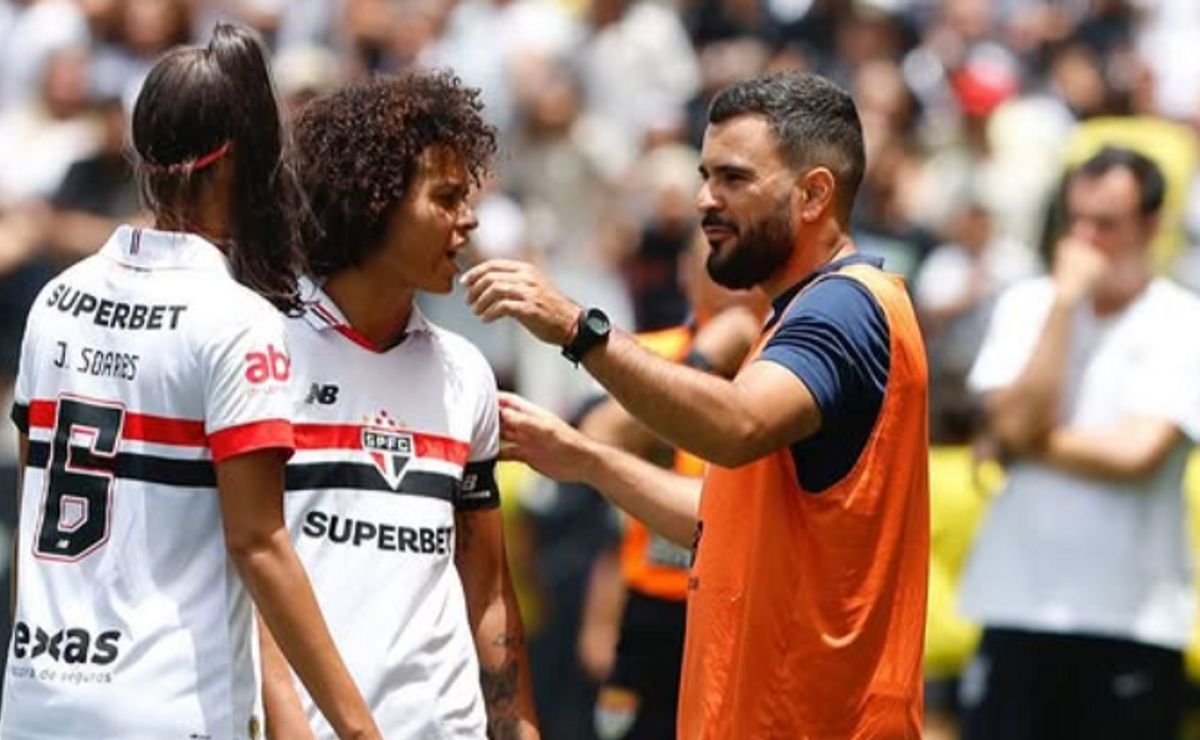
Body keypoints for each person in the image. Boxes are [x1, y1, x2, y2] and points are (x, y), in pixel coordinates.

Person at [466, 71, 930, 738]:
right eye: (704, 174)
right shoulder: (808, 311)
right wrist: (588, 460)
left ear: (814, 194)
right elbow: (720, 517)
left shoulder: (845, 306)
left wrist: (576, 327)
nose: (704, 200)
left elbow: (735, 427)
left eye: (734, 179)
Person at [1, 23, 378, 740]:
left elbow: (32, 510)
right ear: (238, 160)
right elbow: (259, 543)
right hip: (167, 705)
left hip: (35, 696)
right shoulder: (235, 321)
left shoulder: (56, 299)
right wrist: (361, 730)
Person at [280, 70, 540, 739]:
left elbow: (487, 590)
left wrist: (517, 729)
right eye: (447, 197)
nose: (470, 219)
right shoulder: (262, 353)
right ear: (374, 201)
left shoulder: (466, 374)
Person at [959, 146, 1200, 740]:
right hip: (1014, 602)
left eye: (1107, 224)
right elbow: (1011, 426)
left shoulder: (1182, 320)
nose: (1087, 241)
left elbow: (1136, 457)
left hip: (1131, 619)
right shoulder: (1028, 305)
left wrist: (1018, 442)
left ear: (1151, 226)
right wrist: (1065, 304)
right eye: (1078, 221)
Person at [576, 232, 764, 740]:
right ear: (685, 270)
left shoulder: (776, 367)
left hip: (745, 607)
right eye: (712, 262)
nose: (729, 281)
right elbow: (599, 437)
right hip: (654, 603)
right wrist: (700, 363)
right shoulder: (652, 354)